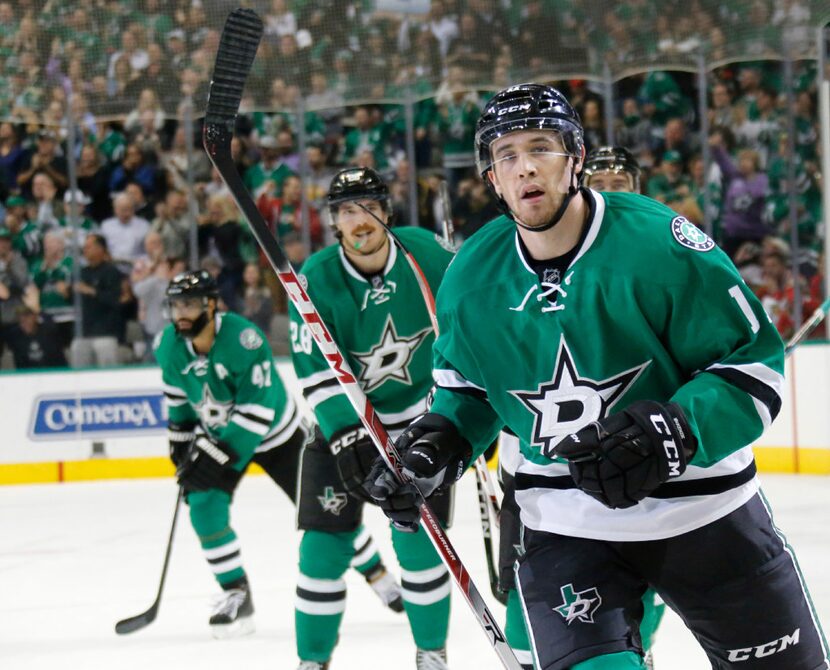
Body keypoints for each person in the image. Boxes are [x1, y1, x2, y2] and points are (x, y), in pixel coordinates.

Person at [369, 84, 829, 670]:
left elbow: (753, 366)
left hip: (705, 514)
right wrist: (435, 451)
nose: (525, 166)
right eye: (505, 154)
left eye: (541, 147)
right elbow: (469, 393)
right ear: (491, 176)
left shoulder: (660, 244)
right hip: (565, 525)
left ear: (577, 158)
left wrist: (678, 428)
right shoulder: (472, 276)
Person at [155, 270, 399, 639]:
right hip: (222, 435)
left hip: (277, 436)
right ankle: (235, 593)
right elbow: (179, 400)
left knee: (329, 509)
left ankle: (378, 575)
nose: (181, 313)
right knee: (203, 505)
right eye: (175, 306)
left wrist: (214, 453)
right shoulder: (168, 347)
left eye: (189, 304)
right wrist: (180, 441)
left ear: (211, 304)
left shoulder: (244, 339)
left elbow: (258, 411)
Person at [288, 167, 455, 670]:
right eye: (344, 211)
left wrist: (469, 405)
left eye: (366, 207)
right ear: (334, 223)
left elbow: (468, 325)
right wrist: (345, 433)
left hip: (423, 429)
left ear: (386, 211)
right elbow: (314, 367)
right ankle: (312, 661)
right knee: (321, 549)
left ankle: (432, 656)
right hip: (344, 428)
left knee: (421, 549)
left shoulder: (427, 254)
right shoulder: (314, 278)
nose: (357, 220)